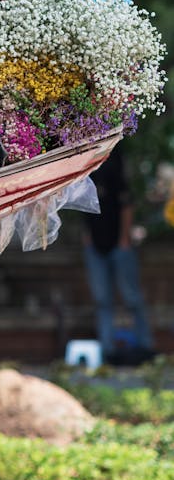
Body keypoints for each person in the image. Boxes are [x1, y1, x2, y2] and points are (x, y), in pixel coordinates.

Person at [83, 145, 155, 365]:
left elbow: (127, 204)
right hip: (95, 244)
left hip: (119, 244)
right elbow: (83, 207)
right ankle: (108, 349)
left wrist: (124, 240)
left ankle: (145, 345)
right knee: (102, 300)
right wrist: (86, 238)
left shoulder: (116, 163)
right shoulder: (86, 167)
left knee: (132, 297)